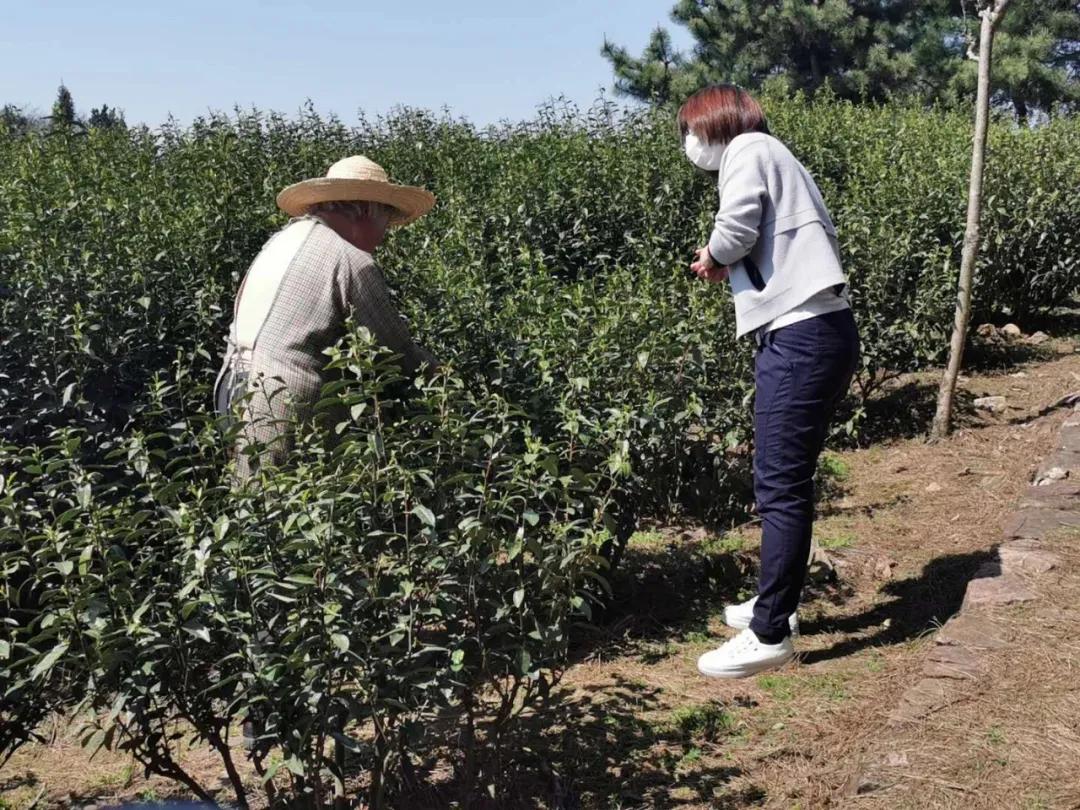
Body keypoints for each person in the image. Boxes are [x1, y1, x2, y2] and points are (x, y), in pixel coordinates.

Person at [680, 85, 860, 679]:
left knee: (778, 485)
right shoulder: (774, 152)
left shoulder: (748, 149)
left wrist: (712, 255)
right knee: (788, 480)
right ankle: (773, 602)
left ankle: (769, 633)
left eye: (690, 129)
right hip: (820, 330)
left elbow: (736, 225)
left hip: (801, 336)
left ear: (713, 125)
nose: (688, 143)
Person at [214, 155, 437, 478]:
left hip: (232, 387)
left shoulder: (281, 241)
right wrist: (442, 377)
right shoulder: (351, 260)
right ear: (365, 210)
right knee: (291, 512)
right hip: (281, 403)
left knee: (250, 504)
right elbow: (394, 353)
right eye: (385, 222)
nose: (383, 235)